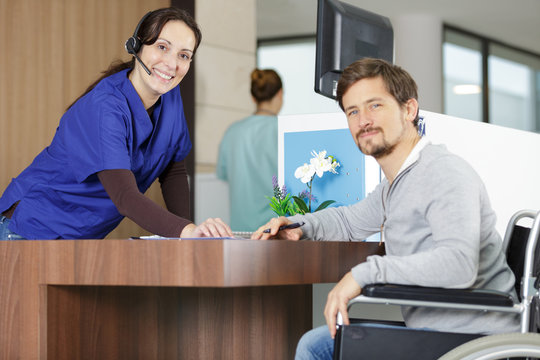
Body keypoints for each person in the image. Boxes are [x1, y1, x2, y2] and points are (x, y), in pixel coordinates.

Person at [252, 58, 519, 359]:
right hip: (439, 332)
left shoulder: (443, 173)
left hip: (472, 339)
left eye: (374, 105)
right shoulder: (398, 182)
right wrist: (298, 225)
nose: (363, 120)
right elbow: (350, 221)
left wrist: (363, 274)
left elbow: (458, 265)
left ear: (409, 109)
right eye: (353, 111)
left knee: (318, 348)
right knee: (319, 344)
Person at [0, 8, 232, 240]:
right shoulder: (104, 107)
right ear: (136, 46)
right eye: (162, 47)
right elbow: (124, 196)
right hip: (28, 228)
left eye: (184, 55)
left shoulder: (169, 95)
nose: (172, 64)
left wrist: (187, 235)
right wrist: (187, 231)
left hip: (77, 238)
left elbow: (173, 168)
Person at [217, 69, 283, 231]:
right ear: (280, 94)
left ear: (253, 97)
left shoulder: (232, 131)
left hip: (239, 229)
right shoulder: (283, 130)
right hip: (275, 229)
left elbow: (223, 173)